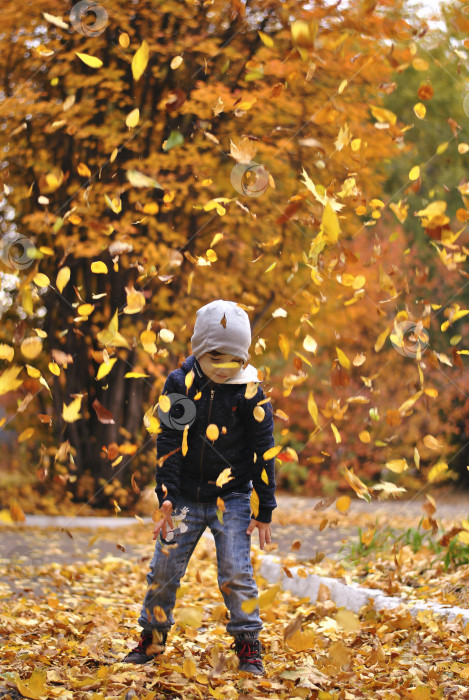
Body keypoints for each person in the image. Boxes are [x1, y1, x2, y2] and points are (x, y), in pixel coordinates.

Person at [122, 300, 277, 675]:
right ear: (200, 351)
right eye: (217, 359)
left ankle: (248, 644)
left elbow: (263, 451)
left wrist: (264, 509)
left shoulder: (250, 391)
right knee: (165, 567)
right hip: (185, 497)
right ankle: (153, 637)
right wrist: (166, 497)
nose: (225, 369)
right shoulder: (182, 384)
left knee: (236, 571)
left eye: (234, 362)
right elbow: (170, 444)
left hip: (234, 496)